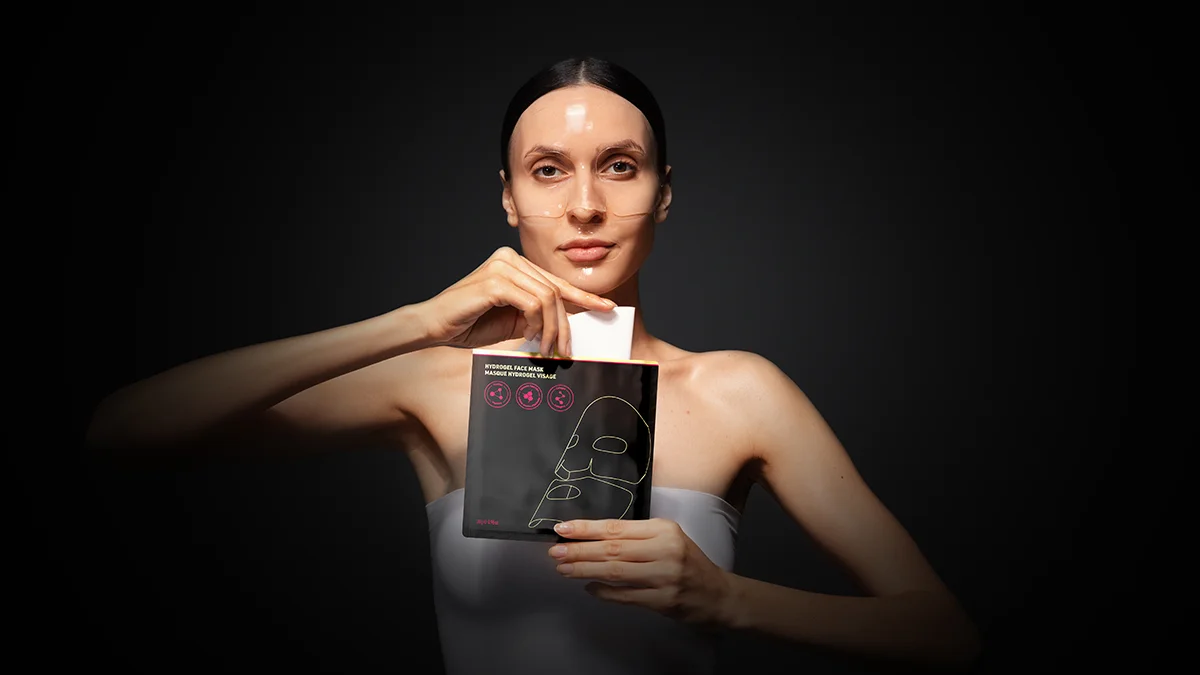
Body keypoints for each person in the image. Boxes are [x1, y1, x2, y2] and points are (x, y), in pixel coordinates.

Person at [86, 56, 981, 674]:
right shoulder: (436, 384)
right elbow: (124, 432)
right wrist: (416, 322)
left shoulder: (739, 390)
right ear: (510, 198)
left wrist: (727, 598)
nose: (585, 205)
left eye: (619, 167)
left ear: (663, 191)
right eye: (549, 170)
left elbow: (944, 635)